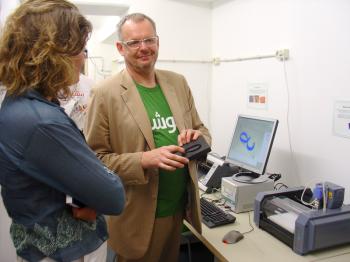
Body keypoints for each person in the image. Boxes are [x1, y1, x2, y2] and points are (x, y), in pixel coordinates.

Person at [0, 1, 125, 262]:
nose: (83, 58)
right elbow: (113, 196)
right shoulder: (40, 121)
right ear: (53, 54)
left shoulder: (22, 104)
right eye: (80, 49)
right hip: (61, 252)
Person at [85, 13, 211, 262]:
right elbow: (94, 161)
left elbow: (203, 132)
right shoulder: (105, 93)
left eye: (149, 40)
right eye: (134, 42)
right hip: (138, 216)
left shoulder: (178, 83)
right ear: (121, 47)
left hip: (178, 210)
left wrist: (197, 137)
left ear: (158, 42)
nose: (144, 48)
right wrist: (143, 160)